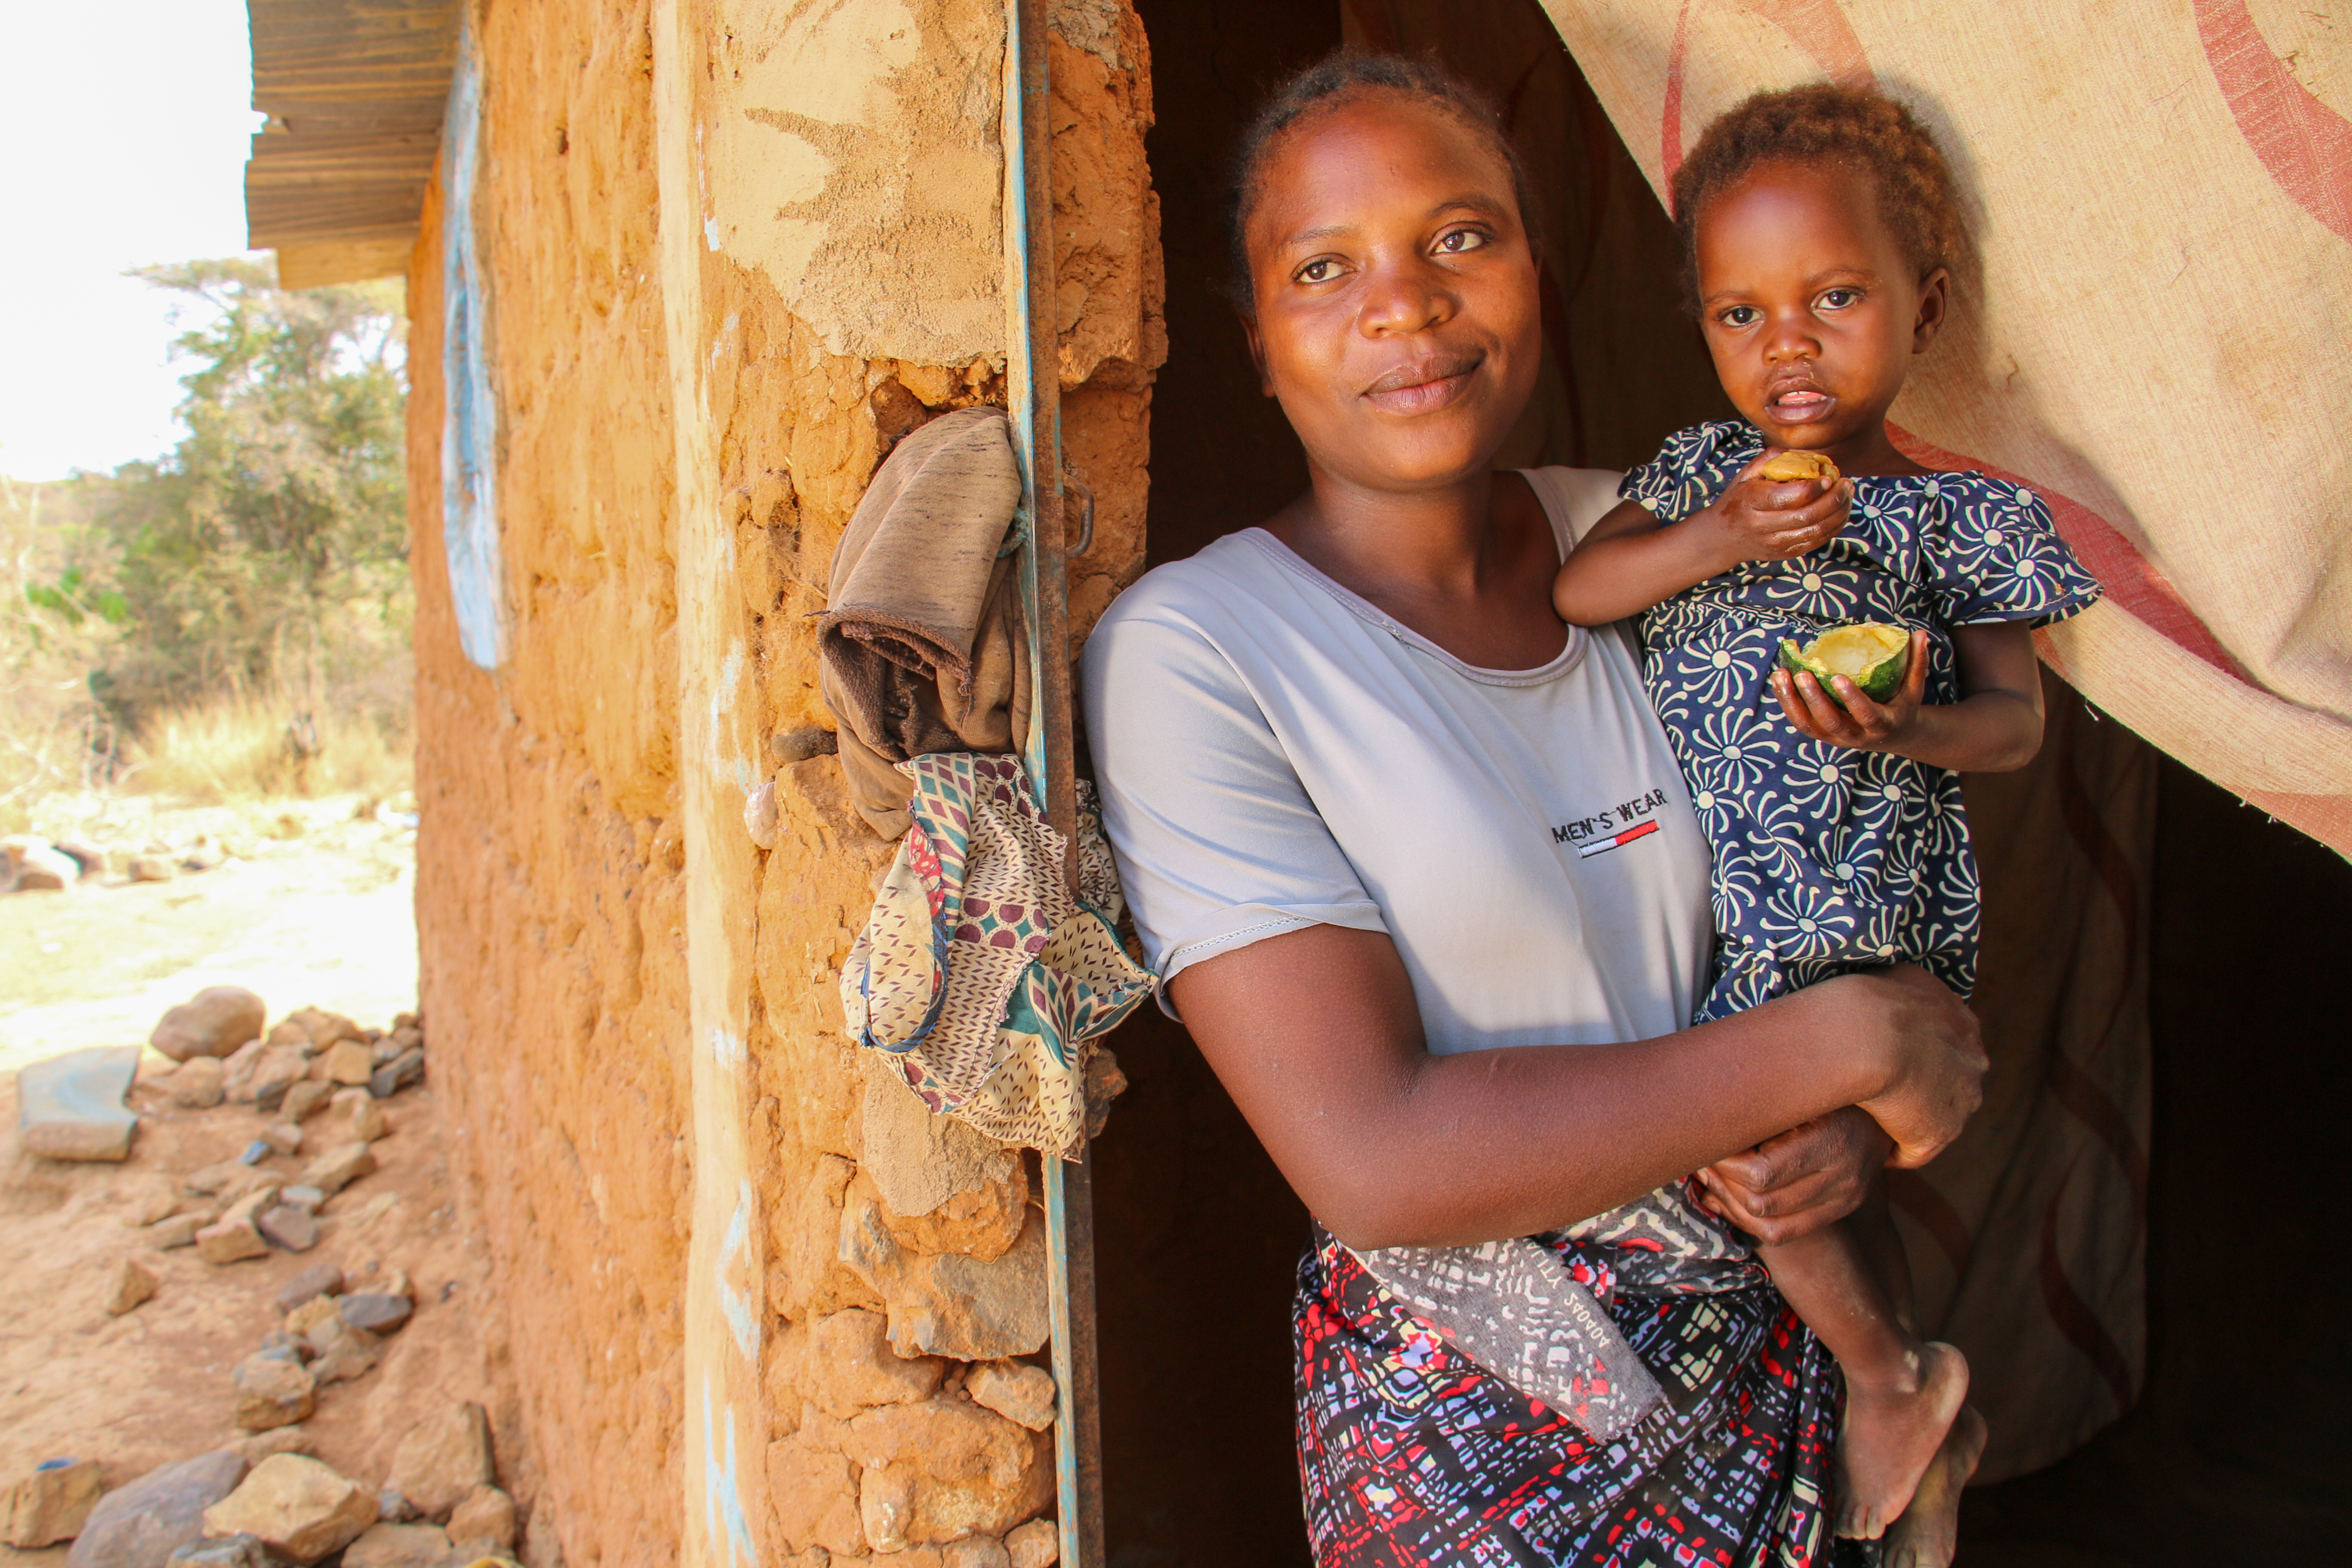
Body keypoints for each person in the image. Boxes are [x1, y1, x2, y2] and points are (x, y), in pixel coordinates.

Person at [1082, 51, 1988, 1568]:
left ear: (1535, 272)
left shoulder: (1664, 540)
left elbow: (1839, 866)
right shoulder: (1202, 652)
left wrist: (1844, 1121)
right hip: (1479, 1431)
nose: (1407, 307)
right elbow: (1374, 1153)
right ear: (1256, 342)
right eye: (1326, 268)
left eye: (1459, 238)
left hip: (1790, 1373)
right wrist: (1837, 1047)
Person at [1550, 83, 2101, 1553]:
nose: (1787, 344)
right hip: (1721, 907)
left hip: (1868, 908)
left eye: (1835, 297)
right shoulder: (1688, 482)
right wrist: (1722, 532)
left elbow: (2016, 723)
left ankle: (1891, 1385)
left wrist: (1907, 727)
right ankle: (1909, 1396)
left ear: (1922, 307)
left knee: (1783, 1175)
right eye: (1742, 315)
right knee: (1783, 1182)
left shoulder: (1954, 518)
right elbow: (1578, 594)